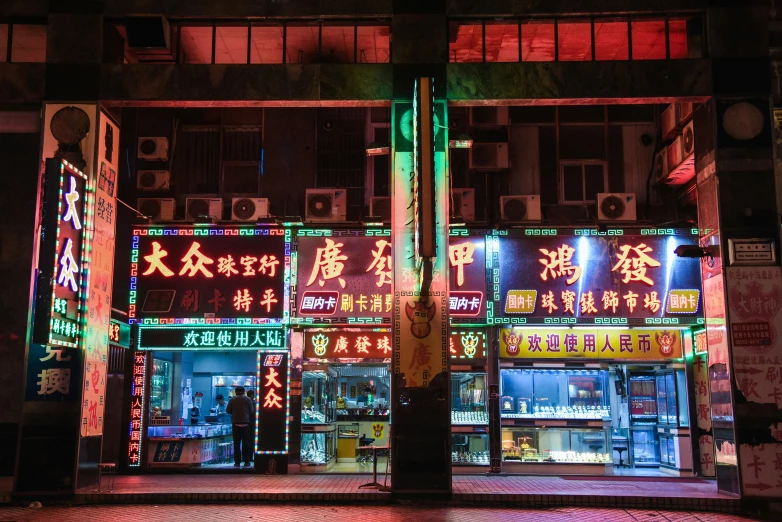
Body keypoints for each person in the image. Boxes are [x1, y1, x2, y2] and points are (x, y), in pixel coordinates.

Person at [226, 386, 254, 467]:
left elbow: (228, 411)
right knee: (246, 444)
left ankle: (237, 462)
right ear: (244, 391)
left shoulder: (232, 400)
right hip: (246, 424)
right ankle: (246, 461)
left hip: (235, 424)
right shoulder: (248, 399)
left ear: (235, 391)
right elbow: (252, 411)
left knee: (236, 444)